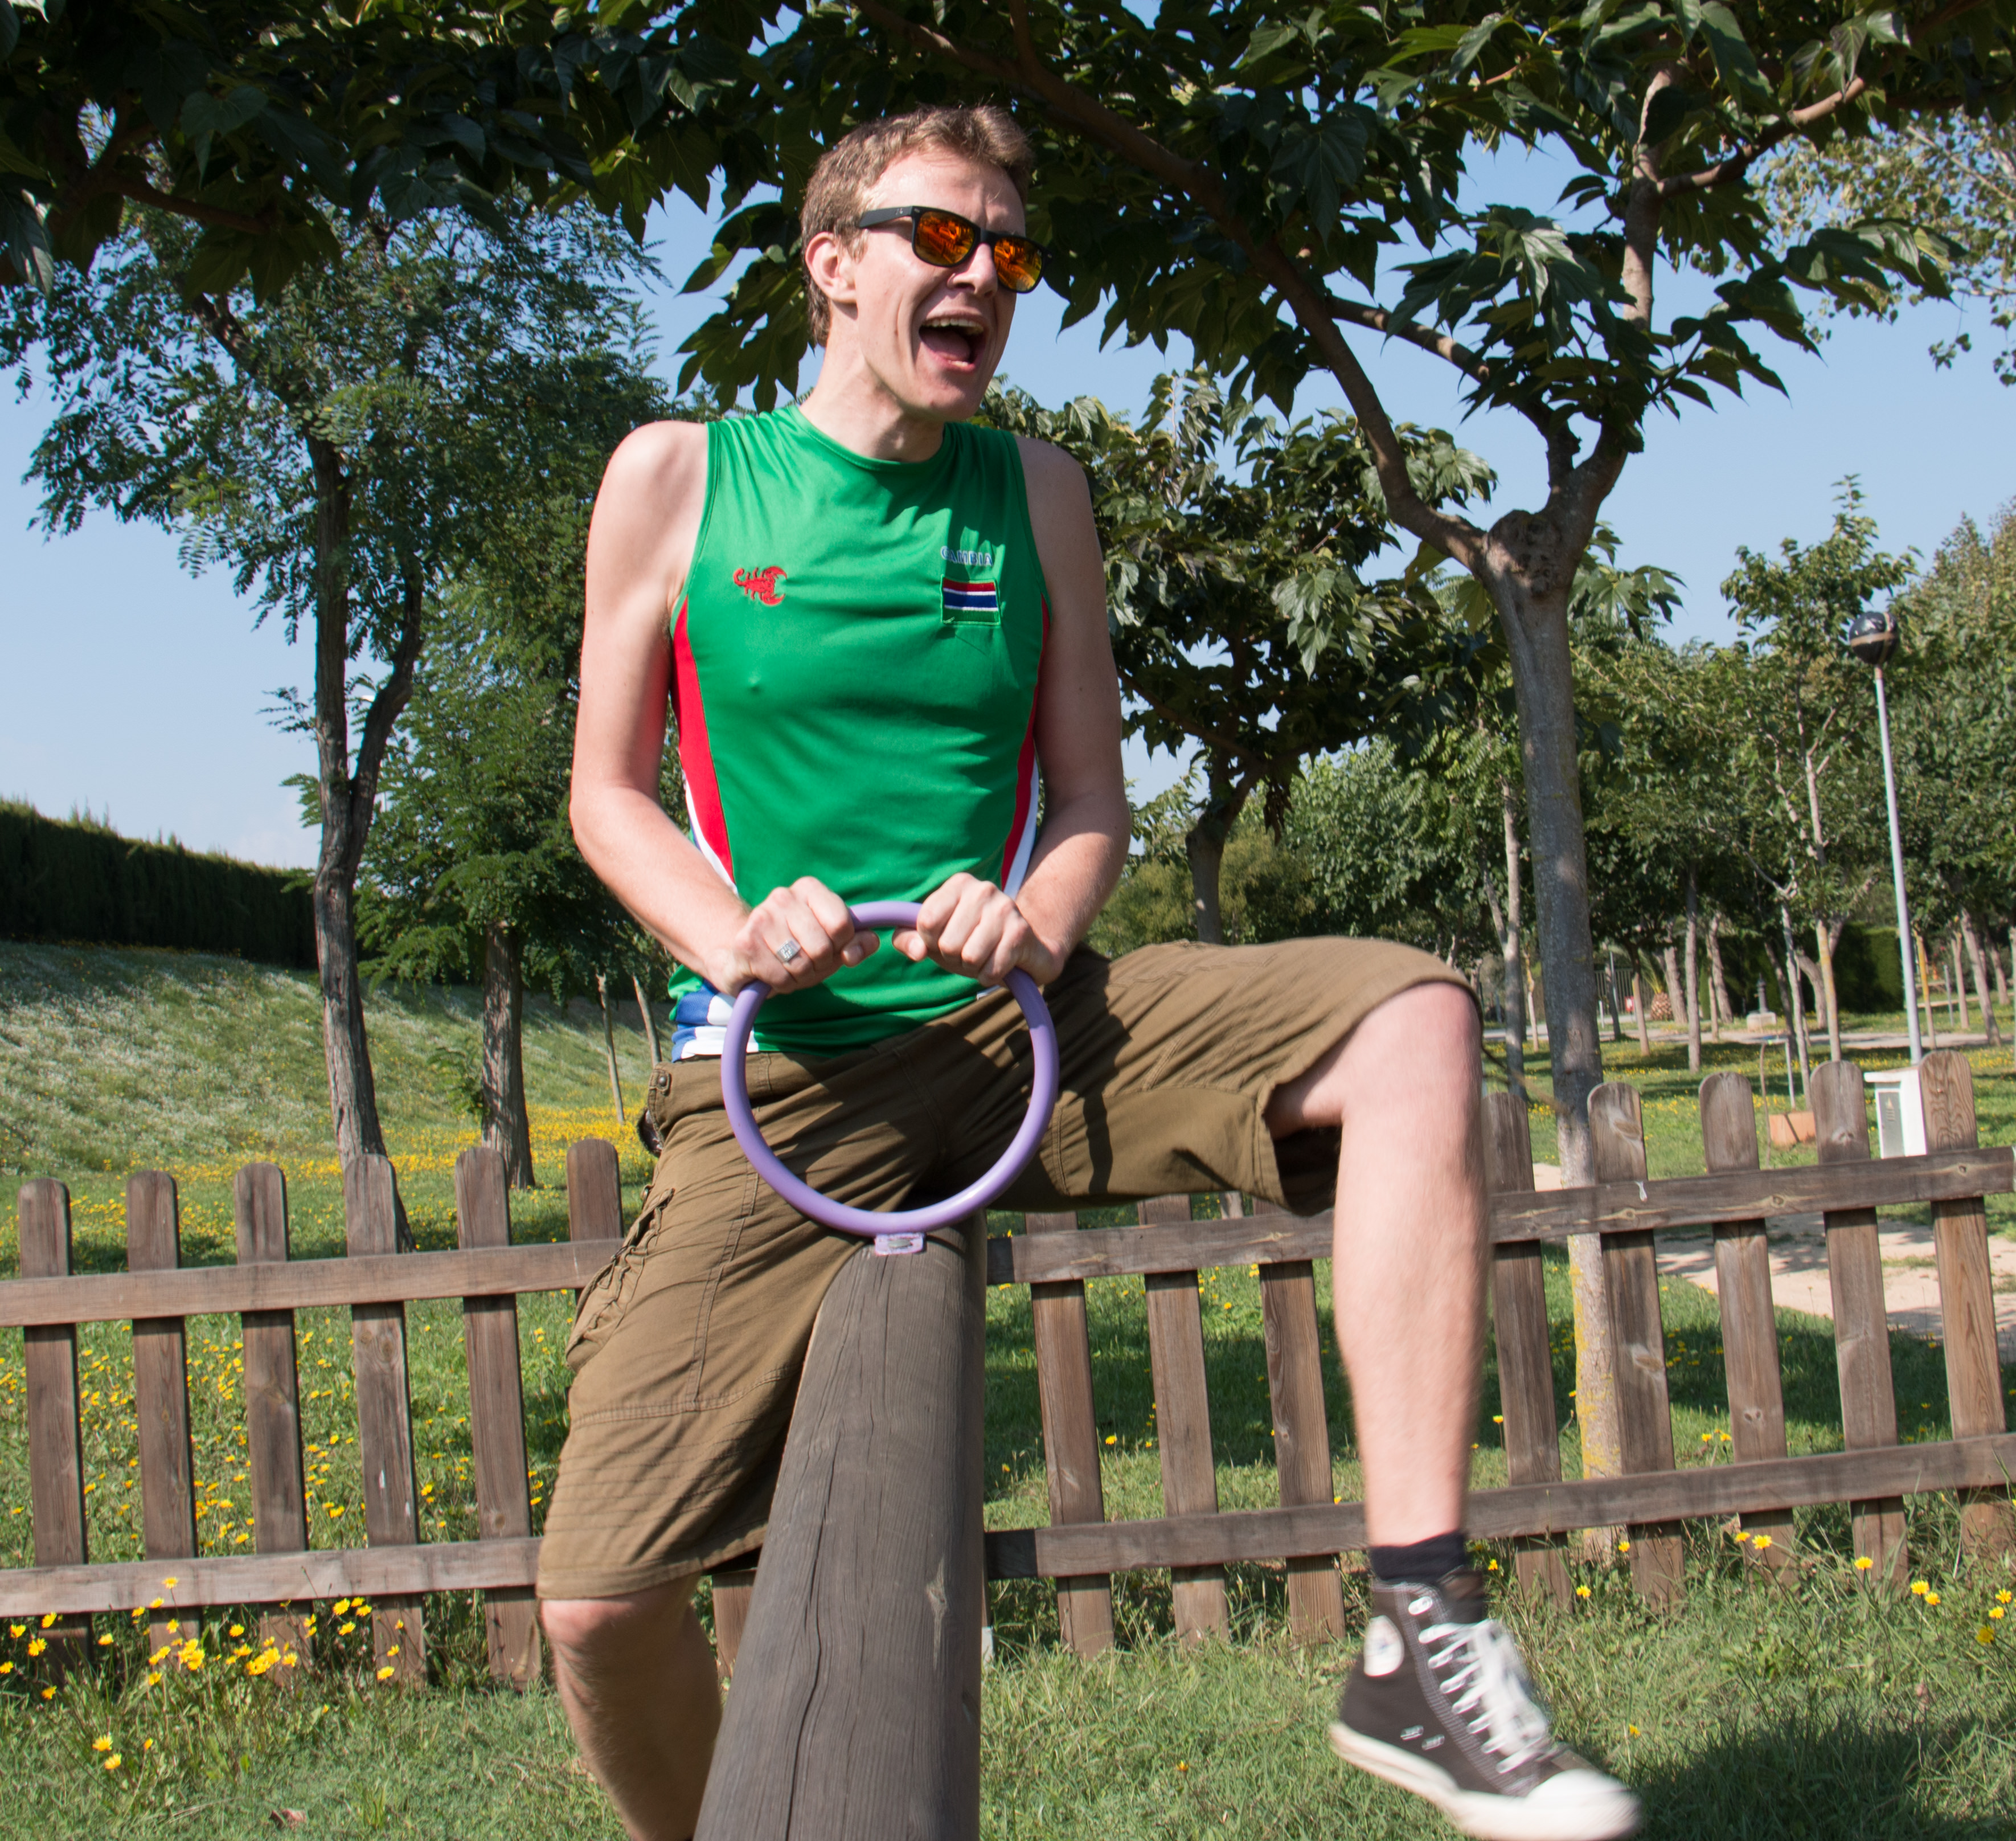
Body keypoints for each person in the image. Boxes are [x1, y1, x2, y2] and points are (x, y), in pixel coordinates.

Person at [547, 104, 1638, 1841]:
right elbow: (607, 796)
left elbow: (1091, 805)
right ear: (832, 265)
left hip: (1021, 1029)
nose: (984, 275)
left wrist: (1037, 923)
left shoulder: (1038, 493)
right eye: (942, 238)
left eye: (1010, 250)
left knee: (1417, 1018)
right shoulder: (681, 476)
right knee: (601, 1608)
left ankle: (1423, 1629)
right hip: (786, 1074)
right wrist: (733, 935)